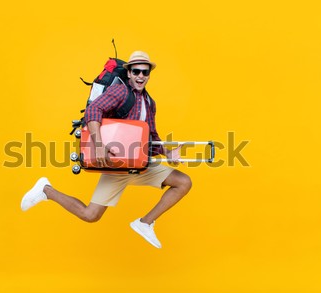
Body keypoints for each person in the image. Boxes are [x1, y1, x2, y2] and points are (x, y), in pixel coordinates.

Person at [20, 51, 192, 248]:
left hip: (139, 164)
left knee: (183, 182)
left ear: (149, 75)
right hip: (116, 164)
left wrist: (167, 153)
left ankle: (145, 223)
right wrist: (100, 145)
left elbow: (151, 136)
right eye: (136, 71)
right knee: (90, 215)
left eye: (145, 72)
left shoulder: (149, 103)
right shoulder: (121, 92)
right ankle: (46, 190)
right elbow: (94, 110)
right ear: (129, 73)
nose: (140, 76)